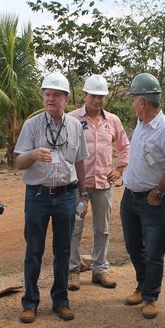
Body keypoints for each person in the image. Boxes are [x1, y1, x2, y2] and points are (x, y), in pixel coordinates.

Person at [14, 72, 89, 324]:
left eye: (56, 95)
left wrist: (84, 193)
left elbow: (79, 161)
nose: (50, 99)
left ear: (66, 99)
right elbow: (18, 162)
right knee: (34, 250)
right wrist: (33, 154)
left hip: (67, 195)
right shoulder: (32, 125)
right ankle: (30, 302)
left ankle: (61, 300)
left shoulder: (76, 126)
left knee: (63, 250)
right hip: (38, 195)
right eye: (47, 94)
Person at [120, 73, 165, 319]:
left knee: (154, 249)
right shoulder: (141, 122)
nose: (132, 103)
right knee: (134, 245)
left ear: (143, 102)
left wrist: (159, 191)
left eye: (134, 99)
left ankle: (150, 296)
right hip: (130, 198)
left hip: (152, 200)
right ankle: (141, 284)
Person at [67, 75, 129, 291]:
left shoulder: (112, 120)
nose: (97, 100)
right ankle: (73, 270)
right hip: (78, 185)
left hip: (104, 183)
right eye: (93, 95)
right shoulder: (72, 119)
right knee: (74, 227)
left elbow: (124, 145)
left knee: (102, 228)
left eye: (101, 96)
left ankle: (99, 270)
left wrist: (119, 168)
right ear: (84, 95)